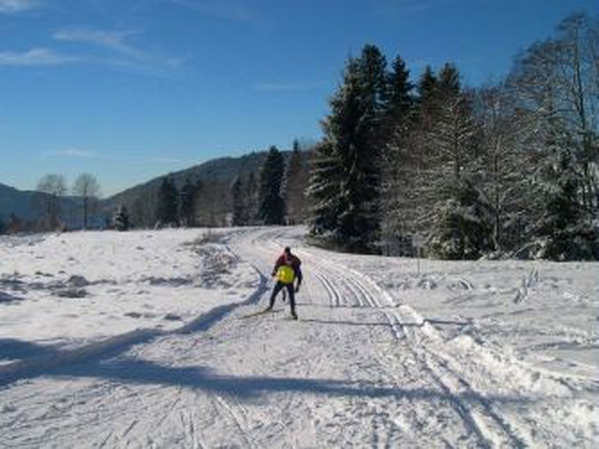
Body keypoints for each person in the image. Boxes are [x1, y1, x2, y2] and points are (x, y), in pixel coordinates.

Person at [265, 246, 302, 319]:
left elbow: (276, 266)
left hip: (284, 281)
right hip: (287, 281)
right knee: (291, 297)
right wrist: (298, 285)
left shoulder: (284, 258)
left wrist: (274, 272)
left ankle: (271, 306)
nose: (288, 261)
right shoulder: (293, 260)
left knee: (275, 294)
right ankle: (292, 311)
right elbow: (299, 275)